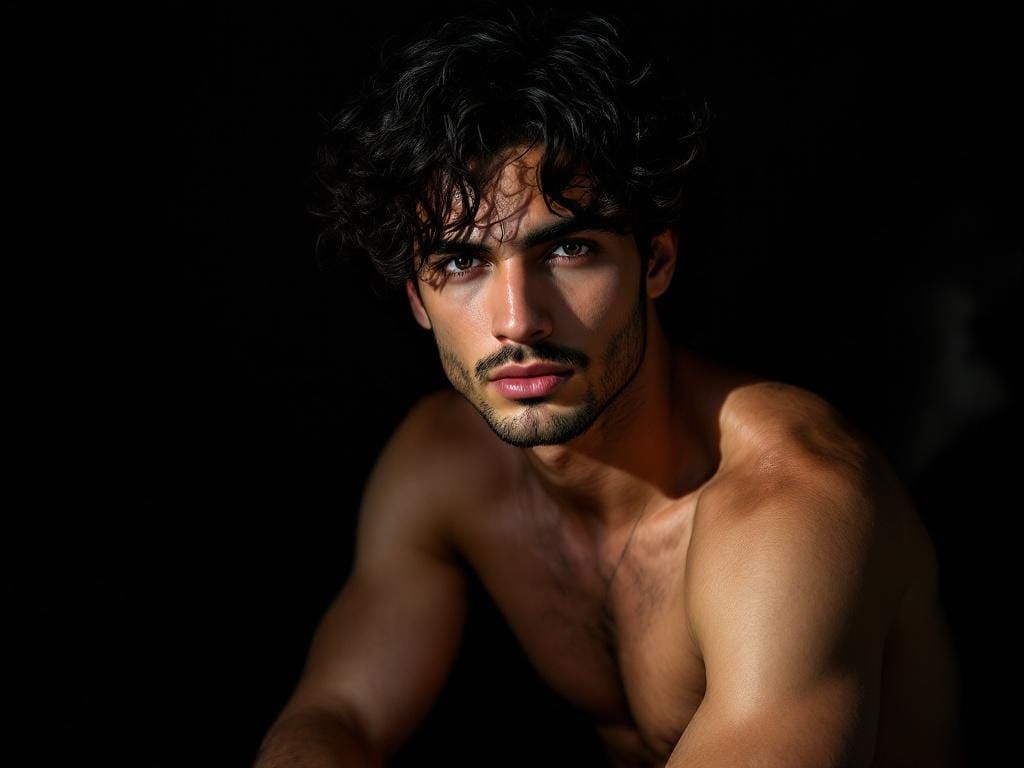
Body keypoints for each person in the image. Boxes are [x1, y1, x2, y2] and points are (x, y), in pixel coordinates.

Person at [252, 7, 964, 767]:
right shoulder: (443, 466)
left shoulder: (788, 509)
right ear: (418, 300)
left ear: (655, 262)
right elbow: (336, 715)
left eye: (569, 250)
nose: (519, 320)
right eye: (461, 264)